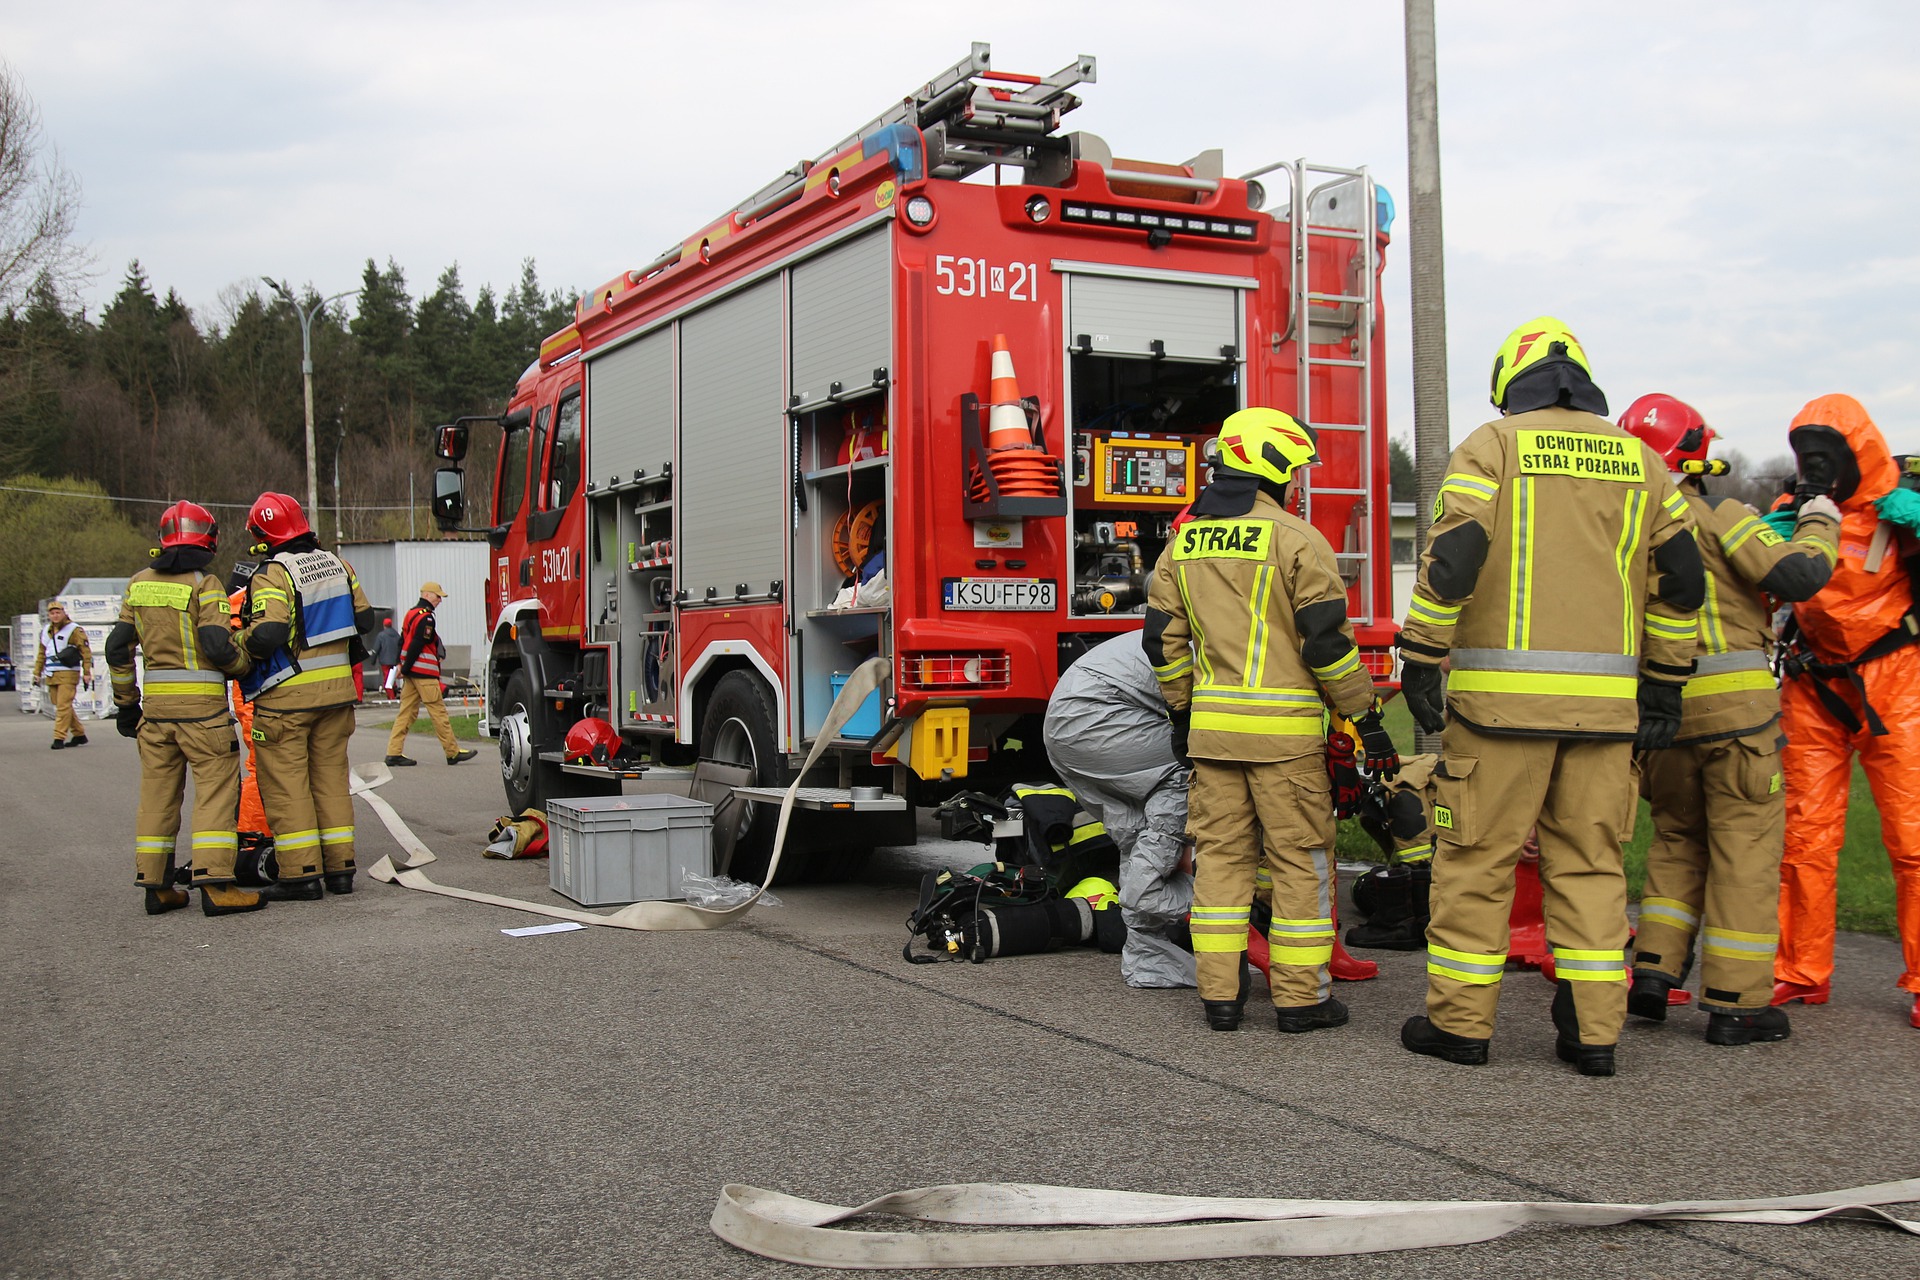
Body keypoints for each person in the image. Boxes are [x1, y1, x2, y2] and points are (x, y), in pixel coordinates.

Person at [1395, 318, 1705, 1076]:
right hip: (1605, 716)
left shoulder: (1494, 445)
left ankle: (1462, 1027)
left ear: (1512, 380)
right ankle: (1594, 1034)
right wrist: (1664, 686)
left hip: (1498, 713)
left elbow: (1456, 555)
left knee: (1475, 862)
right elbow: (1684, 581)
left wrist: (1423, 655)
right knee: (1592, 866)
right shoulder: (1642, 462)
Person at [1143, 406, 1398, 1034]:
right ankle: (1300, 999)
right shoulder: (1296, 538)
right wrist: (1364, 717)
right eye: (1297, 469)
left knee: (1222, 864)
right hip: (1285, 742)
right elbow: (1326, 644)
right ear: (1274, 466)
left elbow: (1161, 643)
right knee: (1298, 862)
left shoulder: (1184, 542)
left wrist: (1182, 715)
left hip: (1213, 736)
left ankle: (1220, 998)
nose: (1301, 482)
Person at [1618, 393, 1838, 1045]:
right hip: (1737, 716)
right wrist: (1819, 519)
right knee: (1744, 849)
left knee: (1678, 841)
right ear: (1690, 453)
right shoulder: (1722, 514)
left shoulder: (1625, 529)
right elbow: (1797, 576)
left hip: (1662, 719)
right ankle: (1736, 1003)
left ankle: (1654, 974)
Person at [1771, 394, 1920, 1030]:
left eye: (1826, 455)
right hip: (1814, 684)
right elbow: (1752, 576)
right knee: (1804, 835)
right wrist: (1771, 535)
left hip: (1897, 681)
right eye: (1808, 455)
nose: (1816, 467)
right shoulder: (1793, 513)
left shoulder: (1900, 513)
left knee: (1914, 836)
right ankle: (1799, 970)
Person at [105, 502, 264, 916]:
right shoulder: (205, 583)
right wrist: (244, 666)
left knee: (157, 799)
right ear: (207, 539)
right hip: (204, 717)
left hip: (155, 717)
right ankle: (217, 887)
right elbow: (215, 644)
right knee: (214, 795)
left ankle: (157, 888)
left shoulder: (137, 584)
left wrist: (127, 706)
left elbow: (116, 647)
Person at [235, 492, 377, 900]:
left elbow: (270, 633)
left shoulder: (272, 573)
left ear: (264, 535)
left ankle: (301, 876)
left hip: (287, 702)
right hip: (336, 699)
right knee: (331, 784)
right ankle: (340, 872)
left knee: (287, 786)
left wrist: (239, 641)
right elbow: (364, 619)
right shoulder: (338, 564)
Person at [1045, 632, 1195, 989]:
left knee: (1138, 827)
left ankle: (1147, 958)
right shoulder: (1221, 646)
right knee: (1187, 765)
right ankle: (1145, 894)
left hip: (1068, 722)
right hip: (1095, 716)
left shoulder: (1197, 628)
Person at [384, 582, 477, 767]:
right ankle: (452, 752)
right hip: (423, 673)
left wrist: (401, 665)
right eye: (438, 596)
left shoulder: (411, 613)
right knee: (438, 712)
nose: (440, 600)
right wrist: (408, 667)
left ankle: (393, 752)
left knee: (406, 713)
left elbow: (402, 641)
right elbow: (418, 643)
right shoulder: (426, 618)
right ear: (427, 595)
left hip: (411, 673)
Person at [33, 601, 93, 748]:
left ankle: (58, 738)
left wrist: (86, 672)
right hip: (51, 673)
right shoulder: (46, 631)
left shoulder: (74, 630)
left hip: (68, 672)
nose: (55, 615)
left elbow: (85, 652)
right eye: (52, 613)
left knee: (63, 706)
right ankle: (79, 734)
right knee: (60, 704)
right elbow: (42, 654)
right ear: (49, 615)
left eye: (58, 612)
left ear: (64, 613)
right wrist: (36, 673)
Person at [373, 616, 402, 701]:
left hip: (385, 661)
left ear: (384, 625)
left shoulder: (381, 635)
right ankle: (394, 690)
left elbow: (376, 649)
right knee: (393, 677)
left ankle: (391, 697)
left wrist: (373, 660)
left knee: (387, 679)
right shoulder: (397, 635)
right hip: (395, 661)